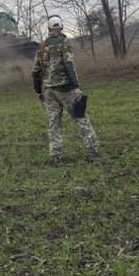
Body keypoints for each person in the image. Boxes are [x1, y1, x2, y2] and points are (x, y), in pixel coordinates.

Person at [31, 15, 103, 164]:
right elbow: (69, 65)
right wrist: (76, 86)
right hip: (66, 88)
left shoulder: (42, 45)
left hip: (49, 90)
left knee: (54, 123)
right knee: (81, 116)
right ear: (61, 27)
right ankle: (93, 150)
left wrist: (39, 91)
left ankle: (56, 156)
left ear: (49, 28)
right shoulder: (65, 42)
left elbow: (35, 71)